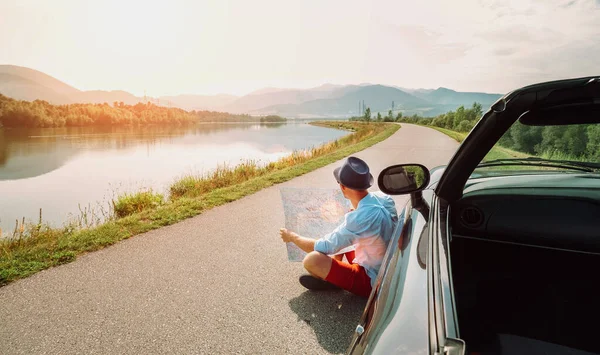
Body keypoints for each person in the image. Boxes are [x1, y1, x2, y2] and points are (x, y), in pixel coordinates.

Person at [280, 156, 398, 298]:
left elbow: (321, 246)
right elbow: (370, 221)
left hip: (374, 282)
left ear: (342, 186)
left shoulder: (359, 218)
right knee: (343, 237)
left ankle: (334, 282)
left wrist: (292, 237)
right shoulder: (385, 198)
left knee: (311, 260)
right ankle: (336, 272)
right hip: (390, 266)